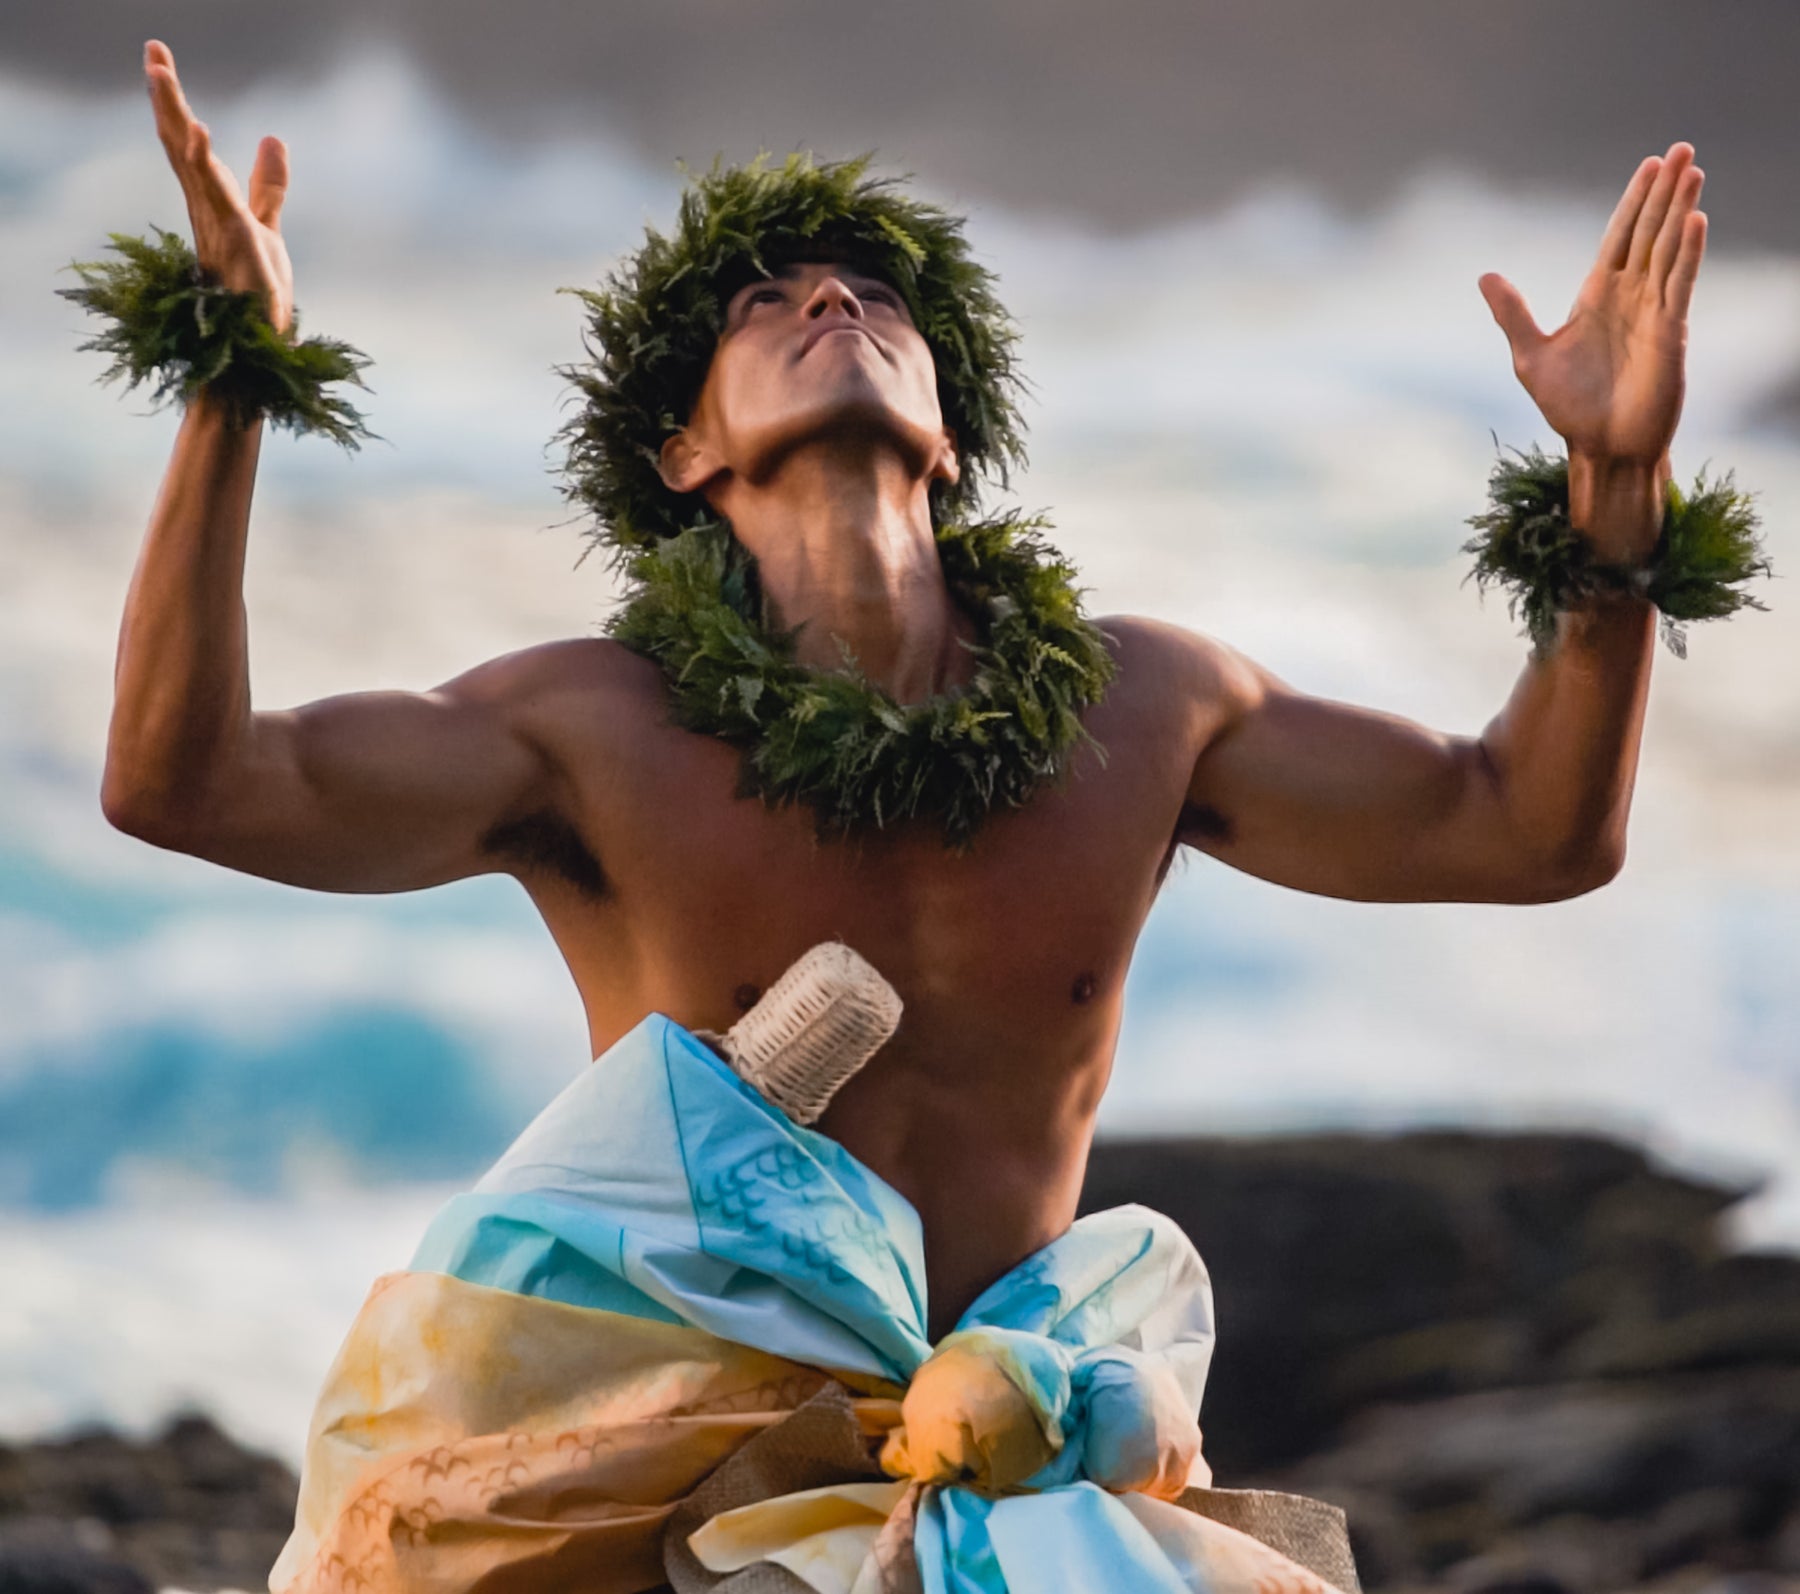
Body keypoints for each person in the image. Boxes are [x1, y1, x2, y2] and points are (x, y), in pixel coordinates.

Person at [100, 35, 1709, 1594]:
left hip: (1027, 1466)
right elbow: (192, 782)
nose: (833, 301)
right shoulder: (591, 728)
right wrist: (230, 379)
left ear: (946, 435)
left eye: (880, 299)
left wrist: (1613, 492)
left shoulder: (1145, 712)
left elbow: (1529, 828)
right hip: (672, 1492)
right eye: (767, 302)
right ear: (687, 452)